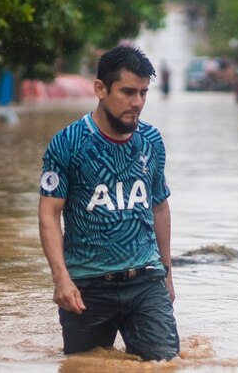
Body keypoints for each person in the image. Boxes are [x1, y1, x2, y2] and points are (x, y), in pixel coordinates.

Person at [38, 45, 179, 362]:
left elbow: (159, 206)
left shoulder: (151, 141)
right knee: (84, 367)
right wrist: (61, 278)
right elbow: (49, 213)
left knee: (165, 365)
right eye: (128, 92)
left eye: (143, 92)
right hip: (88, 288)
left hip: (145, 280)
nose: (138, 103)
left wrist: (167, 273)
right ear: (100, 89)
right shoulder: (68, 143)